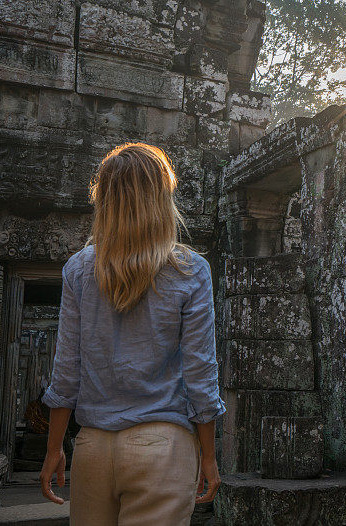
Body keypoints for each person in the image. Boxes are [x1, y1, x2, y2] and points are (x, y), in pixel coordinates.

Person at [38, 142, 226, 525]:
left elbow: (66, 369)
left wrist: (54, 446)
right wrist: (208, 454)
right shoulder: (190, 272)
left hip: (92, 446)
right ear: (162, 198)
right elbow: (200, 374)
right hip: (163, 445)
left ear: (104, 199)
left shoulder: (78, 269)